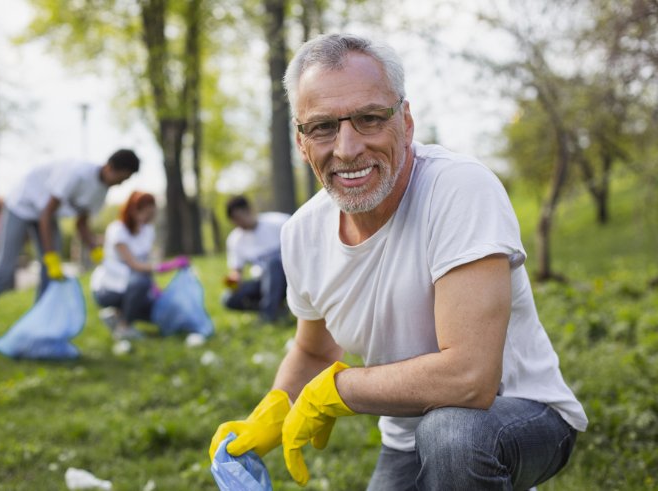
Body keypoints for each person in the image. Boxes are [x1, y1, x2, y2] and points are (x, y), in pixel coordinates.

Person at [210, 33, 588, 490]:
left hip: (521, 415)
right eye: (323, 126)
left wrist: (340, 390)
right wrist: (272, 412)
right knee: (435, 434)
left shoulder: (458, 189)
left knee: (451, 433)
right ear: (301, 141)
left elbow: (471, 379)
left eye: (369, 119)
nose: (347, 149)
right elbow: (314, 348)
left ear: (405, 122)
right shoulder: (302, 233)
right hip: (406, 439)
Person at [0, 149, 140, 363]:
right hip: (21, 206)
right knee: (3, 270)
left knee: (49, 278)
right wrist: (51, 258)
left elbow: (81, 222)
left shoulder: (101, 191)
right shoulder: (77, 173)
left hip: (46, 214)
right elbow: (46, 214)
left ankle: (36, 336)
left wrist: (95, 249)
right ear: (111, 167)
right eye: (123, 177)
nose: (122, 183)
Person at [90, 191, 187, 340]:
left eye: (152, 215)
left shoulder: (147, 230)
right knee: (142, 281)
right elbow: (134, 265)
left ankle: (115, 316)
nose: (149, 219)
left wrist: (154, 289)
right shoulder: (117, 231)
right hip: (109, 288)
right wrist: (165, 267)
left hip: (133, 287)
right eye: (147, 214)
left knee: (155, 310)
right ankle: (124, 327)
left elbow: (145, 263)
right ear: (134, 210)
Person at [221, 195, 290, 323]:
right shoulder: (235, 239)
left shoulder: (279, 222)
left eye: (239, 217)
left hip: (289, 278)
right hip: (262, 281)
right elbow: (237, 270)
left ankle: (269, 315)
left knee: (273, 263)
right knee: (228, 298)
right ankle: (275, 308)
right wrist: (234, 280)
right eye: (234, 220)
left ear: (249, 210)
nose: (238, 223)